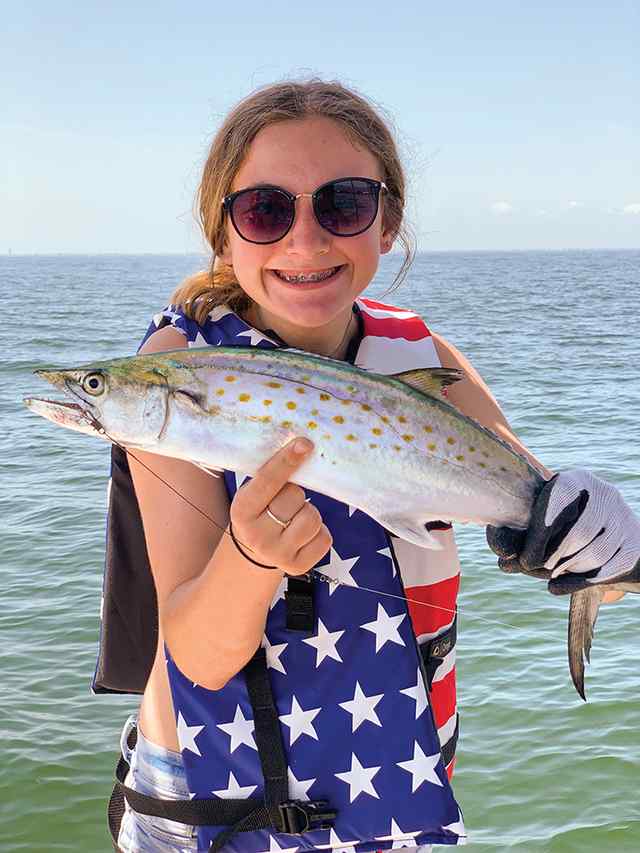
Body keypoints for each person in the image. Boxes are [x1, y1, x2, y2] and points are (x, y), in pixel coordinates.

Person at [104, 78, 636, 853]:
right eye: (266, 209)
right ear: (223, 233)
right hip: (217, 796)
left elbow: (540, 518)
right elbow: (200, 657)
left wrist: (606, 541)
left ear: (388, 223)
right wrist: (252, 557)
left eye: (345, 204)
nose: (307, 240)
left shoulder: (422, 358)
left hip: (399, 774)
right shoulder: (178, 368)